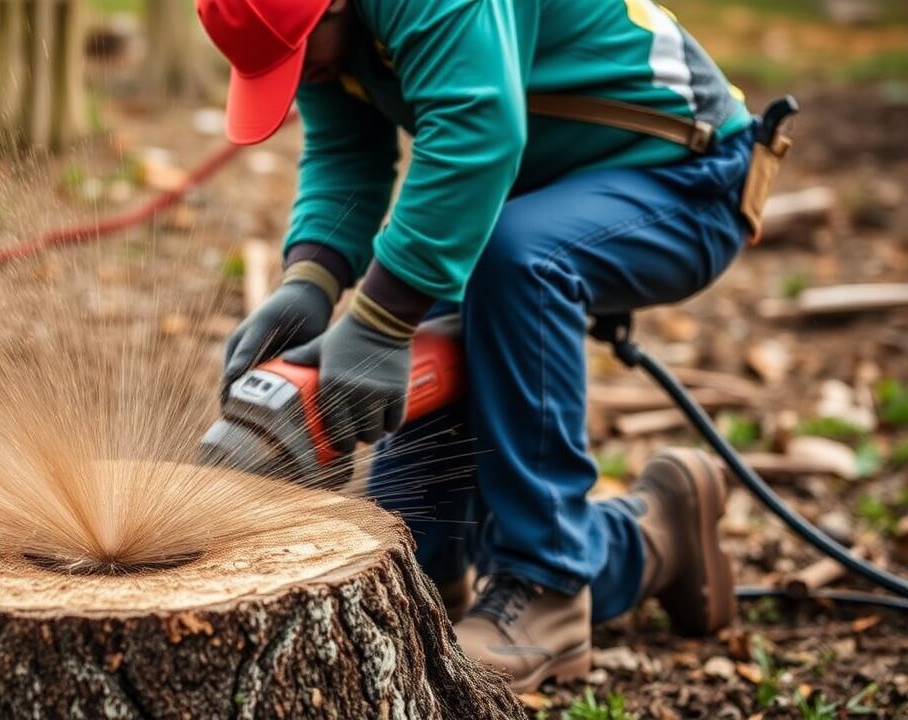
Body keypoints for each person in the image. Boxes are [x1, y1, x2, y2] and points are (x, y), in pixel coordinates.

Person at [197, 0, 780, 690]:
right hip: (524, 197)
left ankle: (550, 592)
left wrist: (383, 320)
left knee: (511, 264)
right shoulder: (328, 34)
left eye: (302, 54)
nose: (306, 75)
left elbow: (478, 132)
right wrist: (311, 281)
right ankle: (655, 537)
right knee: (411, 548)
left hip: (686, 174)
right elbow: (345, 152)